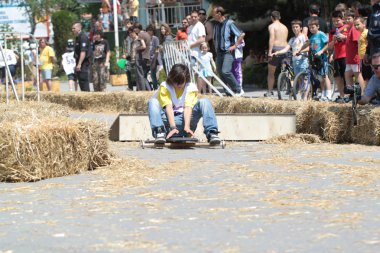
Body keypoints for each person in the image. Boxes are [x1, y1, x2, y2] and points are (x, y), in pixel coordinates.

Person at [147, 63, 221, 145]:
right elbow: (169, 107)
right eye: (176, 82)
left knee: (204, 101)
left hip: (185, 121)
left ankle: (212, 132)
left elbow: (188, 108)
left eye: (181, 82)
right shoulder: (165, 86)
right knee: (152, 102)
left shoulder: (191, 88)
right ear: (171, 78)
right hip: (169, 123)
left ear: (186, 79)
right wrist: (173, 128)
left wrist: (187, 127)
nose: (178, 85)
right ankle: (159, 132)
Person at [297, 17, 332, 101]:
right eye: (310, 28)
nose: (311, 29)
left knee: (324, 76)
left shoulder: (321, 34)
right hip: (315, 59)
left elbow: (328, 44)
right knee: (320, 78)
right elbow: (307, 44)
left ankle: (329, 94)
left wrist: (321, 51)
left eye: (313, 27)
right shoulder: (312, 37)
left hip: (322, 58)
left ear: (318, 26)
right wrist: (300, 50)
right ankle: (323, 94)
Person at [212, 6, 244, 95]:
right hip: (219, 53)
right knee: (220, 73)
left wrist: (235, 46)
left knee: (225, 71)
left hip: (227, 52)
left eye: (214, 13)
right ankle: (228, 92)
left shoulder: (230, 23)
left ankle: (238, 89)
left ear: (219, 14)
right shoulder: (216, 25)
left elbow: (241, 35)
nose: (212, 15)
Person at [329, 10, 349, 102]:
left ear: (343, 19)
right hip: (337, 56)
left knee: (346, 76)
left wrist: (344, 37)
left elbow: (352, 38)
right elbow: (330, 46)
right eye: (334, 21)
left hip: (346, 55)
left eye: (337, 20)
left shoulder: (347, 27)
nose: (336, 23)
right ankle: (342, 96)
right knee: (337, 76)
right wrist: (333, 40)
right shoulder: (332, 31)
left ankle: (348, 95)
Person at [266, 10, 288, 97]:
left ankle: (270, 91)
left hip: (276, 49)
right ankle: (288, 89)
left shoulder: (272, 26)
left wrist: (270, 52)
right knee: (285, 71)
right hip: (285, 49)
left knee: (271, 72)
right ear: (280, 17)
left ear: (272, 18)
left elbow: (272, 38)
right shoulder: (285, 27)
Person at [344, 11, 365, 97]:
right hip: (349, 58)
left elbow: (358, 42)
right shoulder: (349, 29)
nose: (347, 20)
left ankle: (364, 93)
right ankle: (351, 94)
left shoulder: (354, 29)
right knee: (347, 74)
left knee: (357, 74)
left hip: (354, 57)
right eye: (346, 19)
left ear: (353, 19)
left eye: (349, 19)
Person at [72, 22, 92, 92]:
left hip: (83, 63)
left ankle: (88, 98)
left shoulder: (83, 37)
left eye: (74, 28)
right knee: (80, 81)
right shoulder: (78, 37)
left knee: (84, 81)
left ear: (79, 28)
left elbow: (83, 52)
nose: (73, 30)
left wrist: (79, 64)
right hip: (79, 62)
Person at [133, 23, 151, 91]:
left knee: (140, 75)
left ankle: (143, 91)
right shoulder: (147, 34)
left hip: (142, 56)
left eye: (135, 28)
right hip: (147, 56)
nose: (134, 30)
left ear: (138, 28)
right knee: (144, 76)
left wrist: (136, 49)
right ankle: (149, 91)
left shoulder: (140, 34)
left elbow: (143, 46)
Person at [355, 16, 372, 84]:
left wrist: (367, 54)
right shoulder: (361, 33)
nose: (356, 26)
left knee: (369, 76)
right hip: (362, 58)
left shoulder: (366, 32)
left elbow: (369, 44)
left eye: (358, 24)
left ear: (363, 24)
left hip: (367, 58)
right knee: (365, 77)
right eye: (355, 25)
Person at [146, 24, 160, 90]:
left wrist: (154, 60)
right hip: (147, 59)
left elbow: (157, 50)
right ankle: (149, 88)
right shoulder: (146, 39)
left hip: (153, 59)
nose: (149, 31)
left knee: (153, 75)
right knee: (145, 75)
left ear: (153, 31)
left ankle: (155, 88)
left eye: (150, 30)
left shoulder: (155, 38)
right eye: (148, 30)